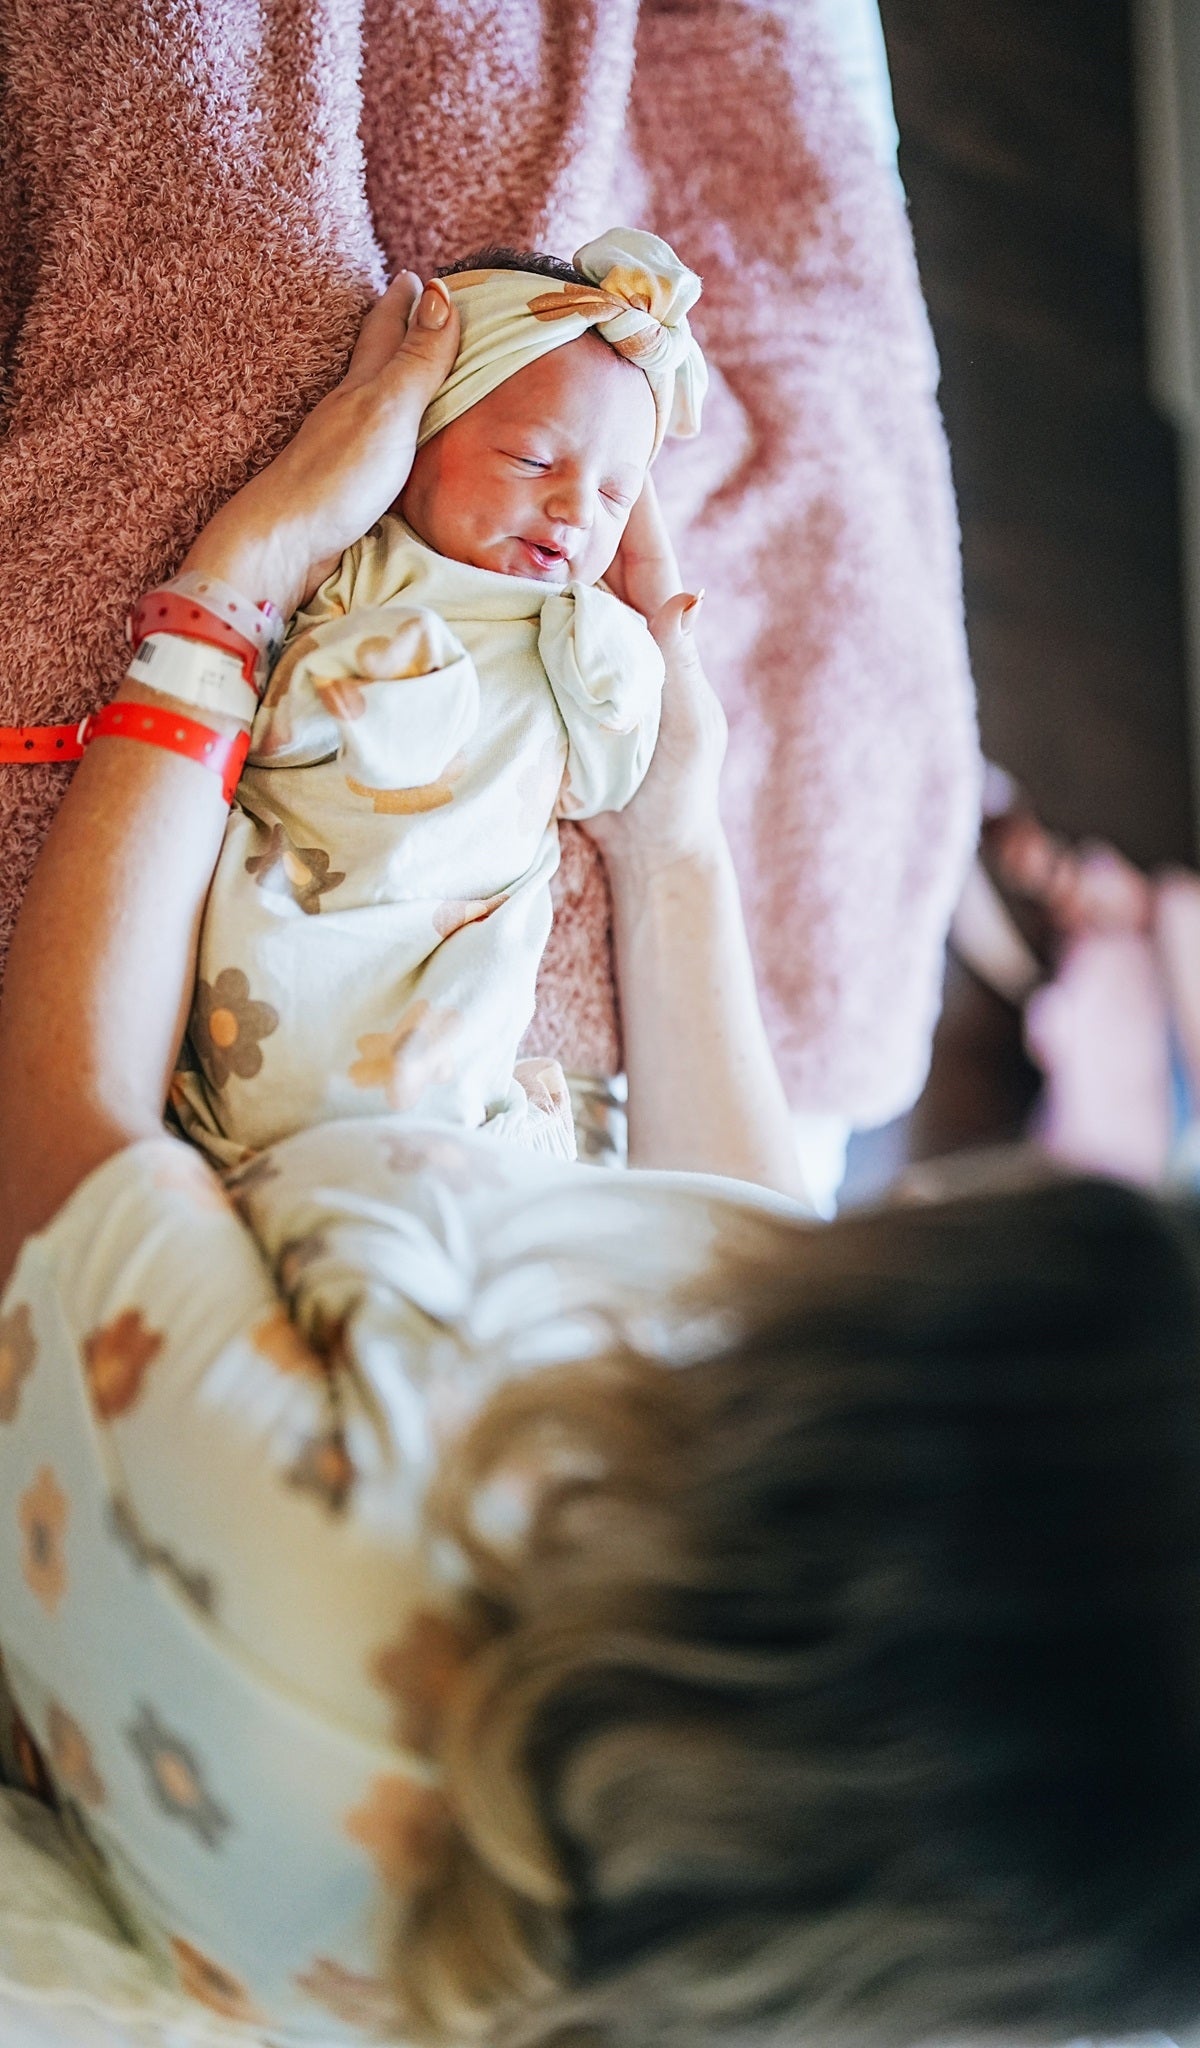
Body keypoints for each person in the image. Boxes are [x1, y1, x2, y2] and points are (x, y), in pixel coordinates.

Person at [0, 278, 1199, 2048]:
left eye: (942, 1254)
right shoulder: (826, 1863)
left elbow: (61, 1131)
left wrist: (244, 575)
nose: (922, 1201)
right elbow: (748, 1244)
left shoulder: (328, 1576)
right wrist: (673, 835)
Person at [173, 228, 709, 1166]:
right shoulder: (366, 574)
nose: (578, 511)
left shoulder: (572, 627)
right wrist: (373, 673)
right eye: (535, 462)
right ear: (424, 440)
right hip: (302, 947)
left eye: (617, 494)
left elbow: (601, 784)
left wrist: (628, 668)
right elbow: (268, 726)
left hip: (453, 1037)